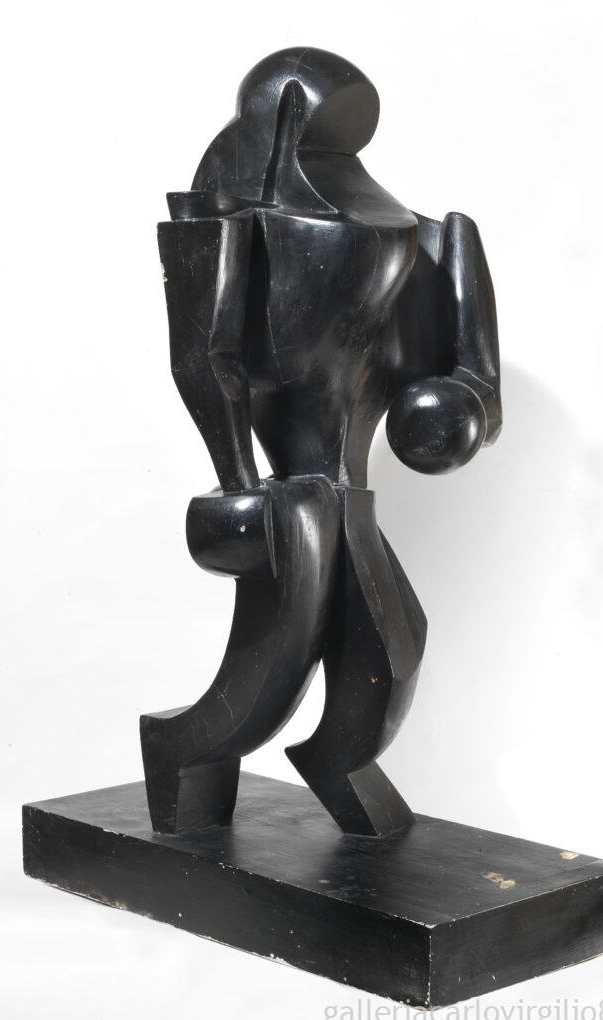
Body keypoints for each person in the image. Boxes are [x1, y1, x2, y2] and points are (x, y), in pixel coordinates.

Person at [141, 47, 501, 836]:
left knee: (395, 651)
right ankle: (182, 756)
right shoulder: (236, 214)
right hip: (295, 493)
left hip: (345, 485)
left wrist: (462, 404)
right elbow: (204, 351)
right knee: (278, 666)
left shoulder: (432, 237)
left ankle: (328, 764)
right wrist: (236, 477)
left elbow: (478, 381)